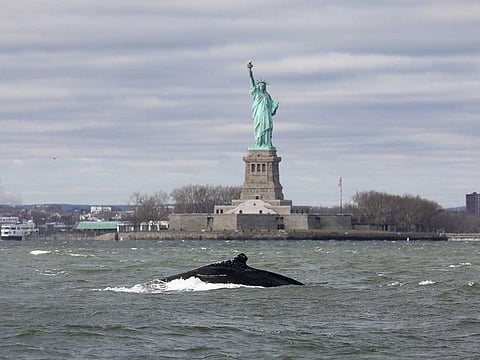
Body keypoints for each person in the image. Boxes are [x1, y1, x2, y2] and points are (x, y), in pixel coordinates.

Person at [247, 61, 279, 149]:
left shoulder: (268, 96)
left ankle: (267, 143)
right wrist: (250, 70)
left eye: (263, 86)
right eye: (260, 86)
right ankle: (258, 144)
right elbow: (251, 81)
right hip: (259, 114)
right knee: (259, 129)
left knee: (267, 128)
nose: (262, 87)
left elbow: (272, 111)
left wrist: (275, 107)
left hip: (266, 115)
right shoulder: (256, 94)